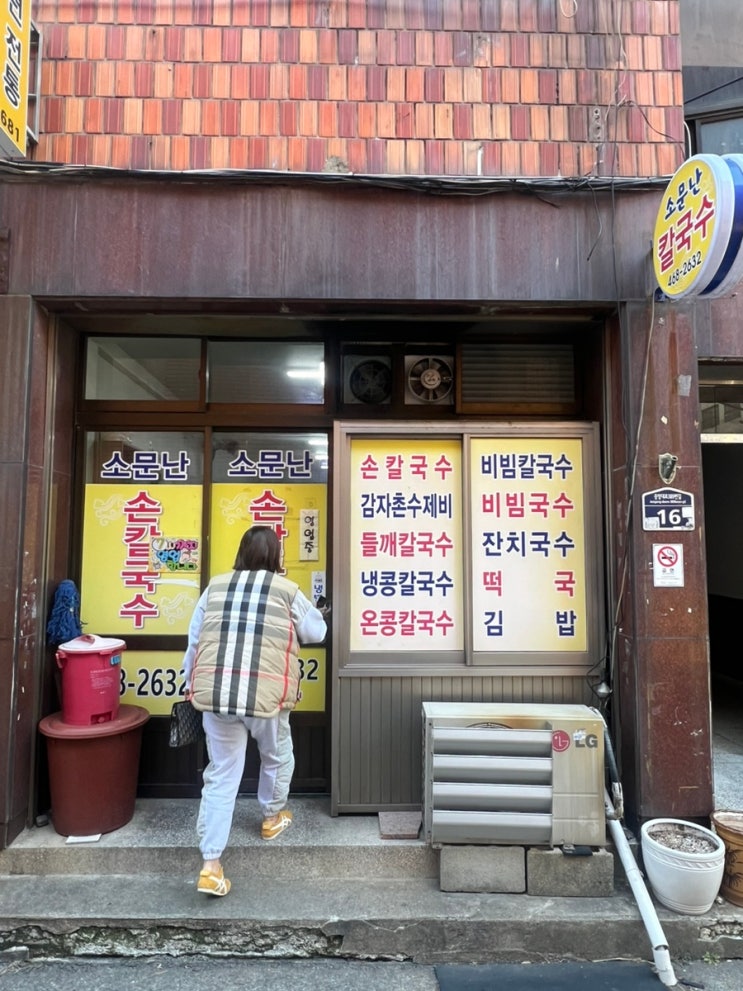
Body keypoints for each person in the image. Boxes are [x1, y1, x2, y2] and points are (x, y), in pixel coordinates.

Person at [182, 526, 327, 897]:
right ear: (276, 556)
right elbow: (317, 631)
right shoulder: (287, 591)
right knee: (276, 756)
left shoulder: (214, 586)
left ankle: (211, 865)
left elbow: (195, 640)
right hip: (265, 698)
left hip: (214, 696)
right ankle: (271, 817)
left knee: (221, 774)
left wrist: (189, 682)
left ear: (241, 552)